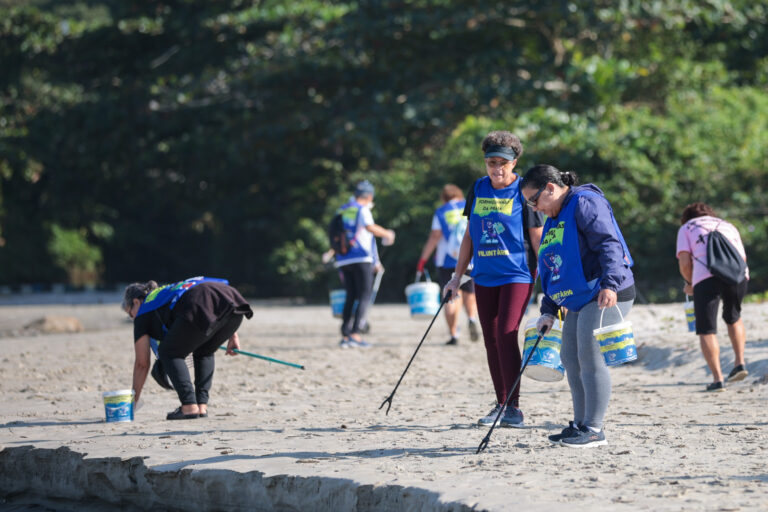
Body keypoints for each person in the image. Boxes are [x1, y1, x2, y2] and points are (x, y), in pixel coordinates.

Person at [520, 164, 635, 448]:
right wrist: (548, 309)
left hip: (606, 291)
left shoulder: (585, 202)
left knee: (589, 356)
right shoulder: (554, 216)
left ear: (550, 188)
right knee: (570, 356)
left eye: (534, 200)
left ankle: (595, 429)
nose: (534, 208)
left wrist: (610, 283)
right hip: (578, 296)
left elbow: (609, 244)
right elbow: (552, 265)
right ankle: (581, 424)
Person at [443, 131, 543, 428]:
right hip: (484, 274)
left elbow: (537, 238)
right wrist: (456, 277)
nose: (496, 168)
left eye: (503, 162)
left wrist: (551, 280)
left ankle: (514, 408)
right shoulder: (478, 188)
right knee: (490, 340)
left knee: (505, 333)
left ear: (514, 162)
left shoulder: (524, 190)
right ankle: (501, 403)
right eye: (491, 162)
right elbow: (470, 235)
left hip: (518, 273)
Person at [122, 277, 253, 420]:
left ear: (136, 302)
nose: (133, 318)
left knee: (168, 353)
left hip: (202, 303)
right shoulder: (164, 294)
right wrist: (232, 335)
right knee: (204, 351)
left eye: (130, 314)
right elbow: (211, 294)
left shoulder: (144, 311)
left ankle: (189, 406)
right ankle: (201, 406)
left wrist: (132, 402)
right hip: (233, 303)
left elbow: (142, 363)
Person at [676, 202, 749, 391]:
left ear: (687, 218)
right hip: (738, 276)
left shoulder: (687, 228)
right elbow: (742, 257)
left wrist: (690, 282)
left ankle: (718, 379)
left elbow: (684, 262)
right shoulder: (728, 225)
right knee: (734, 317)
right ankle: (739, 363)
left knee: (706, 329)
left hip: (706, 277)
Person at [334, 180, 395, 348]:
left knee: (351, 296)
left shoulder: (342, 210)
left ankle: (345, 335)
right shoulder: (362, 209)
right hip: (361, 258)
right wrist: (387, 234)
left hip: (343, 258)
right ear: (369, 196)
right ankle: (356, 334)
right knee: (364, 296)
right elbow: (370, 228)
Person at [417, 184, 480, 345]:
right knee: (470, 294)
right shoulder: (470, 204)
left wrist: (423, 260)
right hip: (470, 259)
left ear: (443, 198)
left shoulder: (441, 211)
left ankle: (454, 334)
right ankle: (472, 318)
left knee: (450, 297)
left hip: (447, 261)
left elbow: (435, 237)